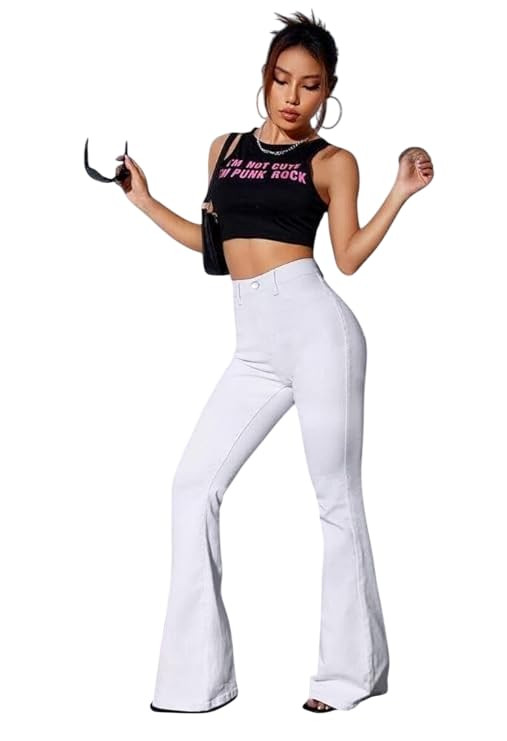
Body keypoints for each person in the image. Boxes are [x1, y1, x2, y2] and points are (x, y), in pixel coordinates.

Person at [115, 10, 434, 714]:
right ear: (265, 78)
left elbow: (348, 257)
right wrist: (143, 202)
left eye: (310, 85)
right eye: (283, 79)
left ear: (329, 90)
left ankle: (348, 677)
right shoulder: (224, 148)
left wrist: (399, 193)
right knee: (191, 486)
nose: (293, 97)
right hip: (253, 344)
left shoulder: (332, 161)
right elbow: (213, 250)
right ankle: (195, 681)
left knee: (335, 499)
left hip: (319, 332)